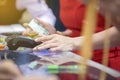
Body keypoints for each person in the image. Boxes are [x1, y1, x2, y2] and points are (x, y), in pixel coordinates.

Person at [26, 0, 120, 72]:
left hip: (107, 64)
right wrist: (56, 36)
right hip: (76, 63)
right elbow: (79, 27)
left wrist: (73, 42)